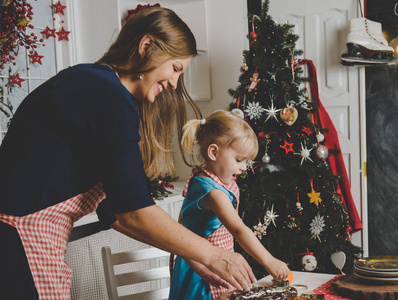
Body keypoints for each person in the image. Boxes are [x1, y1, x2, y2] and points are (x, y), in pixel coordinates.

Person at [0, 7, 255, 299]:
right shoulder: (106, 93)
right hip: (19, 242)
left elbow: (113, 211)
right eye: (175, 69)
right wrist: (213, 255)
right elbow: (133, 212)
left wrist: (195, 259)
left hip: (28, 241)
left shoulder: (98, 86)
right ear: (146, 46)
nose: (174, 83)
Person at [169, 110, 290, 300]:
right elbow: (239, 230)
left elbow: (182, 222)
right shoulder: (213, 192)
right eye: (239, 160)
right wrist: (269, 261)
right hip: (202, 273)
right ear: (213, 152)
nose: (244, 167)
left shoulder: (204, 178)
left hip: (213, 262)